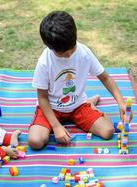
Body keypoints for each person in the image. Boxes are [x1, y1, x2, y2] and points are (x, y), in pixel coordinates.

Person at [28, 11, 130, 150]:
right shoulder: (44, 62)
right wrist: (56, 126)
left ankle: (88, 103)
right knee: (35, 141)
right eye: (63, 53)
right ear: (50, 47)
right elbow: (42, 98)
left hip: (78, 105)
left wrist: (120, 102)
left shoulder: (84, 53)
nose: (69, 54)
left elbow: (105, 77)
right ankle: (89, 103)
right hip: (52, 108)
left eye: (72, 48)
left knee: (108, 131)